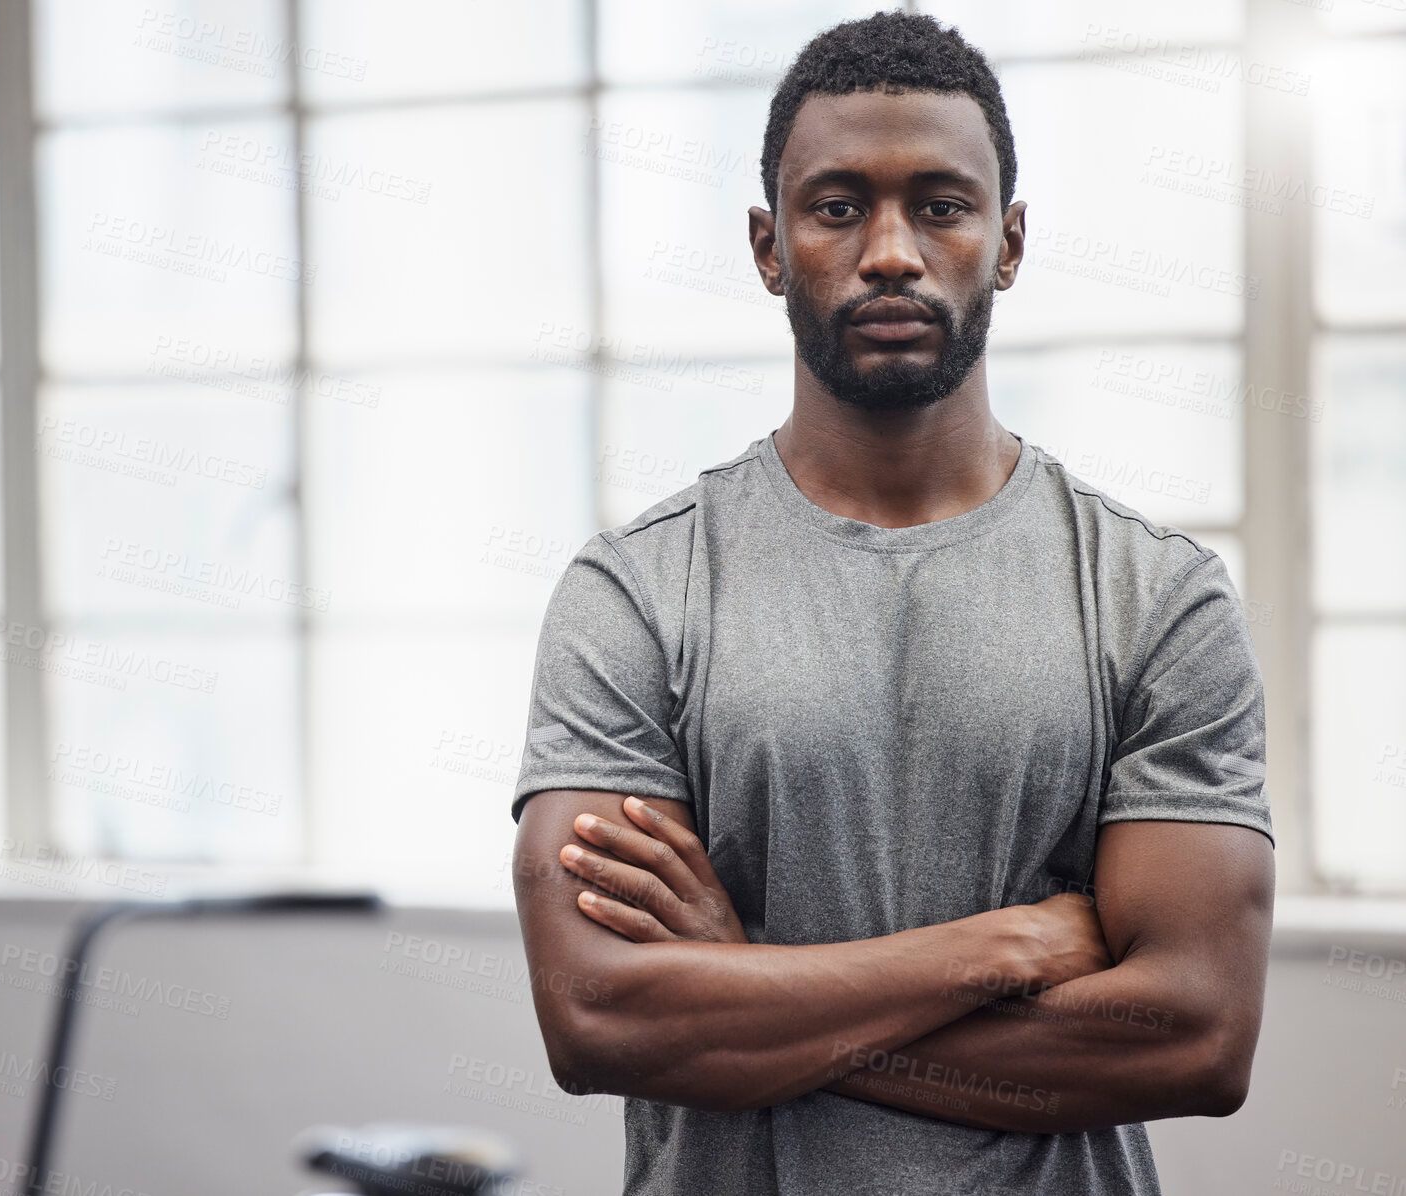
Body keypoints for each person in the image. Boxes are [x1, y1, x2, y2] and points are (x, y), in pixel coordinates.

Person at [508, 11, 1275, 1196]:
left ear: (1008, 240)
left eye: (941, 205)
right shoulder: (638, 592)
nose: (891, 252)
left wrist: (747, 985)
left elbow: (1196, 1036)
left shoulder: (1155, 596)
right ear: (768, 246)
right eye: (836, 206)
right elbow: (600, 1018)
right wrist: (1003, 945)